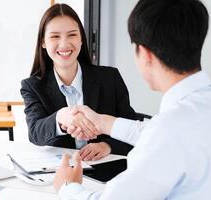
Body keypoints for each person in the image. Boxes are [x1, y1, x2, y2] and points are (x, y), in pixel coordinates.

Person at [53, 0, 211, 199]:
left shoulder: (169, 131)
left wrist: (68, 187)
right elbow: (158, 133)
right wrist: (102, 122)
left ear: (145, 54)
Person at [20, 3, 137, 161]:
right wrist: (61, 117)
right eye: (55, 36)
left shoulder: (110, 77)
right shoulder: (32, 86)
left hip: (105, 166)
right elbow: (35, 133)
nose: (64, 44)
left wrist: (107, 146)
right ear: (43, 43)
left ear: (81, 39)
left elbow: (131, 126)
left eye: (72, 35)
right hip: (61, 170)